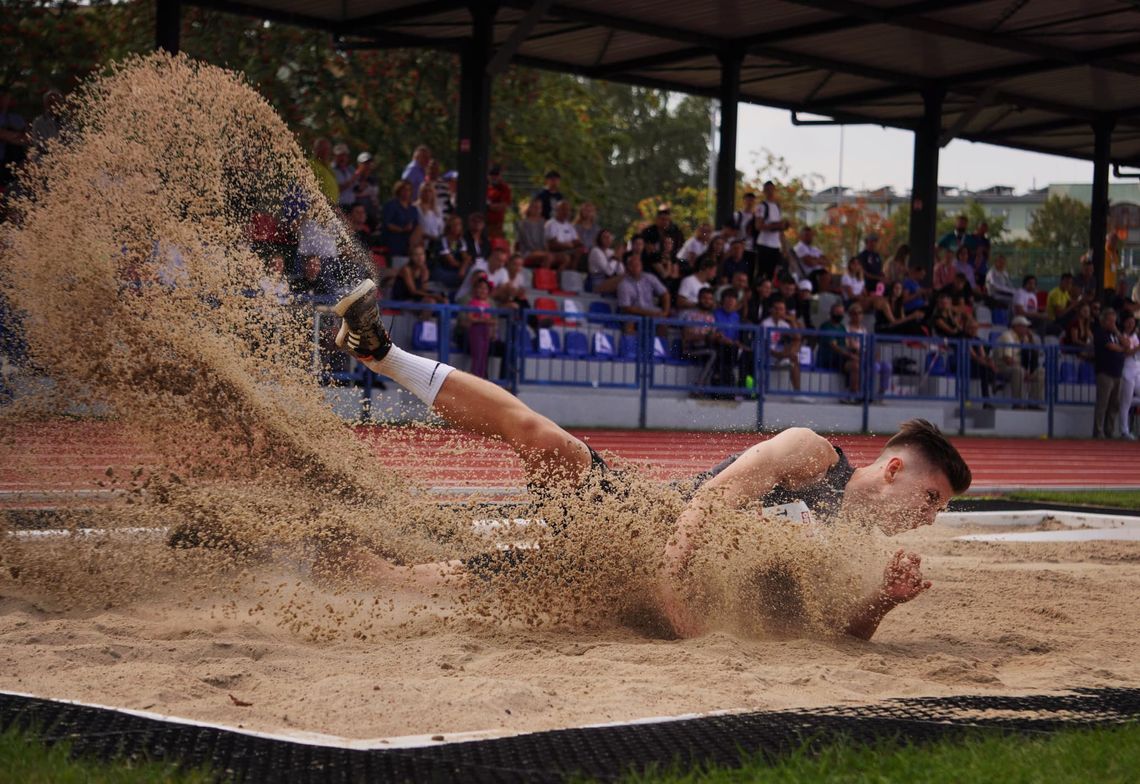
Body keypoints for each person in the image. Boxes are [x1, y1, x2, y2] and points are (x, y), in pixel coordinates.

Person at [329, 281, 972, 639]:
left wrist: (884, 602)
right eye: (932, 499)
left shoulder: (856, 546)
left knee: (447, 580)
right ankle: (382, 353)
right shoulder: (814, 455)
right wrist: (672, 588)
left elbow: (835, 634)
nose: (929, 519)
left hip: (624, 589)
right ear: (894, 468)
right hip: (636, 525)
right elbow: (709, 500)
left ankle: (337, 555)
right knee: (550, 442)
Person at [1092, 308, 1129, 438]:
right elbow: (1111, 347)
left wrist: (1117, 332)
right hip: (1105, 373)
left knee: (1114, 404)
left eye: (1114, 321)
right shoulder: (1100, 332)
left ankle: (1109, 430)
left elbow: (1127, 344)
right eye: (1110, 321)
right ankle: (1098, 431)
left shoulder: (1114, 333)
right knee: (1103, 403)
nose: (1113, 323)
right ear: (1104, 321)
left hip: (1117, 373)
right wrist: (1122, 349)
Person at [996, 316, 1044, 408]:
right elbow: (1007, 359)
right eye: (1024, 326)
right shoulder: (1007, 336)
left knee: (1041, 372)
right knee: (1018, 371)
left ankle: (1034, 403)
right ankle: (1018, 403)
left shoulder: (1024, 338)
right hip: (1003, 366)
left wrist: (1031, 339)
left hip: (1020, 366)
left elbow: (1033, 352)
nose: (1027, 329)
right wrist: (1024, 370)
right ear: (1016, 326)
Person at [818, 302, 861, 401]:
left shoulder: (842, 327)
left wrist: (855, 351)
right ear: (831, 313)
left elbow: (847, 342)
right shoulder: (826, 326)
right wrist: (849, 355)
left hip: (843, 358)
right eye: (837, 312)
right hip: (830, 358)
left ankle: (865, 394)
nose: (839, 315)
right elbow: (834, 346)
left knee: (863, 362)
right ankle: (852, 395)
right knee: (855, 365)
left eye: (841, 313)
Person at [761, 299, 803, 394]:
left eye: (781, 309)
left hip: (782, 354)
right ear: (771, 310)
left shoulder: (784, 324)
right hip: (768, 355)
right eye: (776, 309)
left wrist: (792, 321)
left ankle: (797, 393)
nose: (778, 311)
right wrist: (778, 355)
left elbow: (797, 337)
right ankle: (797, 392)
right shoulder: (765, 323)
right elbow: (764, 346)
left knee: (795, 347)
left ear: (785, 311)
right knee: (793, 357)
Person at [616, 254, 671, 324]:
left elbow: (665, 293)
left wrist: (665, 312)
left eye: (638, 265)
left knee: (662, 321)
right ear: (628, 267)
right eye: (633, 265)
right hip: (633, 314)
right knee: (629, 321)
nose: (636, 268)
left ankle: (660, 335)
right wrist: (648, 313)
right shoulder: (623, 284)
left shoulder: (650, 278)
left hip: (651, 311)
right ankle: (629, 335)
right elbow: (626, 308)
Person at [754, 180, 789, 280]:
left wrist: (784, 247)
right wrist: (775, 225)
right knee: (761, 272)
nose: (770, 192)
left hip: (775, 245)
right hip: (764, 244)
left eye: (771, 190)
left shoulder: (777, 206)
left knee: (772, 273)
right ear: (764, 191)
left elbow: (780, 230)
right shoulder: (762, 206)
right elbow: (758, 226)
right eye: (767, 190)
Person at [380, 180, 418, 270]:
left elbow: (416, 225)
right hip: (394, 239)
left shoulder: (413, 208)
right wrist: (402, 229)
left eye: (409, 190)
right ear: (398, 191)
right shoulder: (391, 205)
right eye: (404, 190)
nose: (406, 192)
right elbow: (387, 223)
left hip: (410, 241)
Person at [464, 276, 496, 379]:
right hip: (476, 330)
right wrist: (483, 320)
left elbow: (492, 320)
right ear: (475, 289)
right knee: (477, 356)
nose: (482, 290)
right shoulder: (472, 303)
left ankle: (481, 378)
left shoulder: (488, 305)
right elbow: (470, 318)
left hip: (486, 331)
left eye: (485, 288)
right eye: (480, 288)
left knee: (483, 356)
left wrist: (492, 330)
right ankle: (474, 378)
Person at [433, 215, 472, 291]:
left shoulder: (461, 241)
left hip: (457, 270)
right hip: (443, 270)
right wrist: (464, 265)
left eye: (459, 224)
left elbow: (466, 257)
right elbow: (452, 262)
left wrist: (464, 267)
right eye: (455, 224)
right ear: (449, 226)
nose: (458, 227)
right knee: (465, 276)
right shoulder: (442, 240)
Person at [965, 320, 997, 408]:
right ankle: (993, 384)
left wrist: (989, 361)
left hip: (979, 364)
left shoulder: (977, 339)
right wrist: (986, 363)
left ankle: (987, 401)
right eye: (971, 328)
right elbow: (973, 356)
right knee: (986, 369)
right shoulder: (964, 338)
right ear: (967, 329)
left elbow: (982, 354)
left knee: (986, 368)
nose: (974, 330)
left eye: (975, 328)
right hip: (968, 364)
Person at [1118, 314, 1140, 441]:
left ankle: (1122, 404)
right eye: (1128, 322)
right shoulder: (1122, 336)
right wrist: (1137, 347)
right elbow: (1127, 352)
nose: (1131, 325)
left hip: (1138, 369)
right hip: (1127, 369)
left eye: (1133, 322)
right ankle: (1124, 431)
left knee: (1126, 402)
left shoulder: (1135, 336)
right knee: (1125, 404)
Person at [544, 200, 582, 272]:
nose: (566, 212)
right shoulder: (551, 224)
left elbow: (577, 242)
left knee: (579, 251)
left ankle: (571, 276)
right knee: (566, 258)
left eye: (568, 210)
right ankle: (558, 279)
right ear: (557, 210)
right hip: (554, 252)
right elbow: (553, 244)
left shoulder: (569, 225)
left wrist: (569, 245)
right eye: (563, 209)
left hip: (567, 250)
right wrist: (569, 245)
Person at [515, 198, 552, 268]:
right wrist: (541, 252)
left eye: (539, 208)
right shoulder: (523, 224)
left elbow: (544, 240)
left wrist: (546, 250)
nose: (537, 210)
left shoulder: (542, 222)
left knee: (561, 257)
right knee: (548, 257)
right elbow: (527, 242)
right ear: (530, 208)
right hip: (527, 251)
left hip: (540, 251)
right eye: (535, 207)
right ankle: (542, 277)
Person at [587, 229, 625, 295]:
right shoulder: (595, 251)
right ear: (599, 239)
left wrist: (619, 259)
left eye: (609, 237)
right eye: (605, 237)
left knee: (627, 278)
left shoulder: (610, 252)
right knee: (624, 279)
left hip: (607, 280)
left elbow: (621, 272)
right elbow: (609, 272)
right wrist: (615, 257)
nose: (608, 239)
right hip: (595, 283)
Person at [413, 181, 445, 251]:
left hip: (436, 245)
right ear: (420, 193)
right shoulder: (415, 208)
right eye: (425, 191)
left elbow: (441, 229)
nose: (427, 194)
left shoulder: (438, 210)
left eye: (430, 191)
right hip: (421, 244)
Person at [485, 164, 512, 238]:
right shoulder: (484, 186)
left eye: (496, 175)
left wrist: (488, 206)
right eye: (492, 174)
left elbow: (503, 206)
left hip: (495, 224)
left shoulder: (504, 188)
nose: (494, 177)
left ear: (500, 175)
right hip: (482, 223)